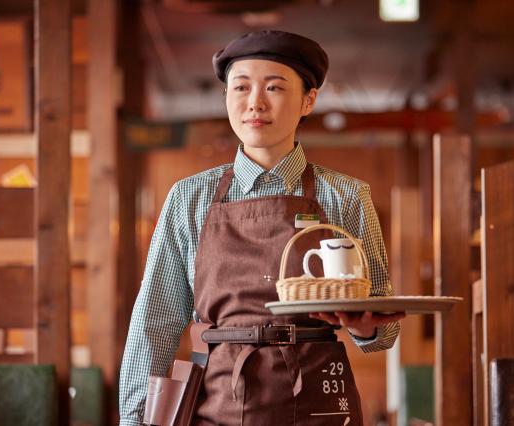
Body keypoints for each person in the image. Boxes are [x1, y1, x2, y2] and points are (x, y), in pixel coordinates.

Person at [119, 30, 404, 426]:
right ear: (226, 99)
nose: (255, 103)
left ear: (308, 100)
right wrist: (134, 420)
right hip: (220, 402)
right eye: (241, 87)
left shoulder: (347, 197)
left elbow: (383, 334)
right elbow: (155, 322)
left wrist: (366, 328)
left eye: (274, 87)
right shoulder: (189, 198)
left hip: (320, 404)